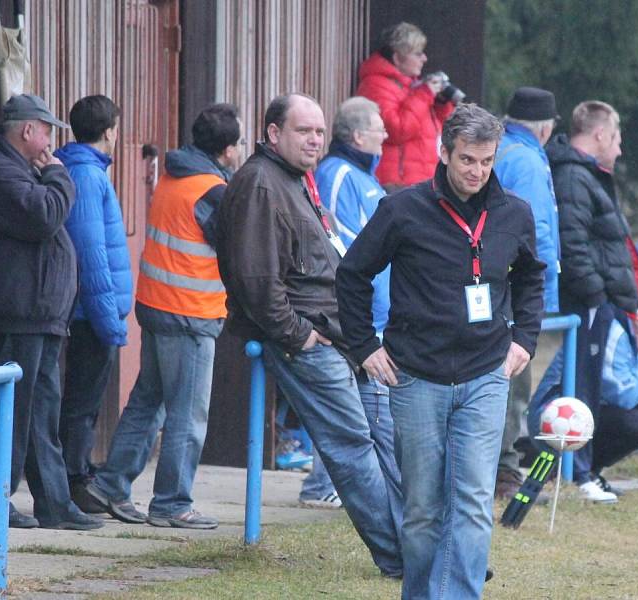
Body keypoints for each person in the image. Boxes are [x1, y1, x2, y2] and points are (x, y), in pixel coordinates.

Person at [337, 103, 545, 600]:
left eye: (487, 161)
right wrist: (365, 346)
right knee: (424, 507)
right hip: (415, 378)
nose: (476, 172)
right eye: (467, 160)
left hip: (486, 375)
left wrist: (526, 339)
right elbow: (352, 274)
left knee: (472, 501)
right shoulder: (402, 209)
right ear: (444, 152)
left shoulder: (514, 213)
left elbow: (532, 275)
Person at [216, 93, 403, 577]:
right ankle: (401, 557)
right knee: (352, 446)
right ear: (274, 134)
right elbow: (257, 282)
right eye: (304, 131)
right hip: (309, 340)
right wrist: (297, 335)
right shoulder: (260, 183)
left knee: (389, 436)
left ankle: (422, 545)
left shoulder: (295, 180)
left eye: (320, 131)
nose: (316, 139)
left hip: (344, 334)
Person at [84, 103, 243, 529]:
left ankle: (111, 484)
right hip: (189, 315)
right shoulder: (212, 190)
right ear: (228, 150)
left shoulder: (175, 174)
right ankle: (172, 503)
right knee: (187, 415)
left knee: (147, 403)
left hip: (156, 307)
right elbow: (235, 249)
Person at [0, 94, 103, 530]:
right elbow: (43, 217)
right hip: (16, 312)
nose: (50, 145)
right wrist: (59, 177)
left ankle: (55, 503)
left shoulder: (17, 169)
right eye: (47, 132)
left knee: (41, 415)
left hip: (36, 312)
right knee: (11, 414)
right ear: (28, 130)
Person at [300, 96, 396, 509]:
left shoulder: (365, 177)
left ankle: (334, 485)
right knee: (348, 407)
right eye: (379, 129)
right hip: (358, 314)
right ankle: (321, 487)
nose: (386, 135)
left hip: (379, 313)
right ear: (358, 135)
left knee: (360, 407)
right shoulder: (338, 176)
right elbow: (341, 247)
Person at [545, 100, 638, 502]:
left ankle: (584, 469)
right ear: (600, 134)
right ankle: (576, 472)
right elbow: (573, 241)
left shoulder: (588, 175)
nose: (619, 149)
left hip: (600, 300)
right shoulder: (572, 176)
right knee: (578, 385)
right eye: (617, 138)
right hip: (586, 300)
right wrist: (596, 293)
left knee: (587, 383)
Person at [55, 95, 133, 513]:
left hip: (92, 310)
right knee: (82, 402)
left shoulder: (85, 170)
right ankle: (73, 480)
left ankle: (77, 471)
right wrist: (109, 319)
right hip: (91, 312)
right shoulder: (87, 175)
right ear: (109, 132)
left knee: (84, 399)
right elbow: (91, 252)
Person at [528, 288, 638, 498]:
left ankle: (590, 470)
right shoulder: (616, 334)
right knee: (636, 423)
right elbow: (625, 398)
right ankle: (571, 470)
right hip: (556, 415)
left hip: (596, 407)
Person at [492, 86, 560, 499]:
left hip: (488, 285)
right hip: (515, 294)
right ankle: (503, 472)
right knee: (514, 384)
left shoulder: (497, 150)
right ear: (545, 128)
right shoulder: (530, 162)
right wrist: (543, 296)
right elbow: (538, 237)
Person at [356, 22, 454, 190]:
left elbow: (439, 129)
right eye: (417, 54)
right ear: (397, 57)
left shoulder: (411, 85)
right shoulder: (375, 85)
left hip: (419, 181)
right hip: (396, 184)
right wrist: (424, 95)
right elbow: (397, 130)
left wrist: (441, 104)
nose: (424, 58)